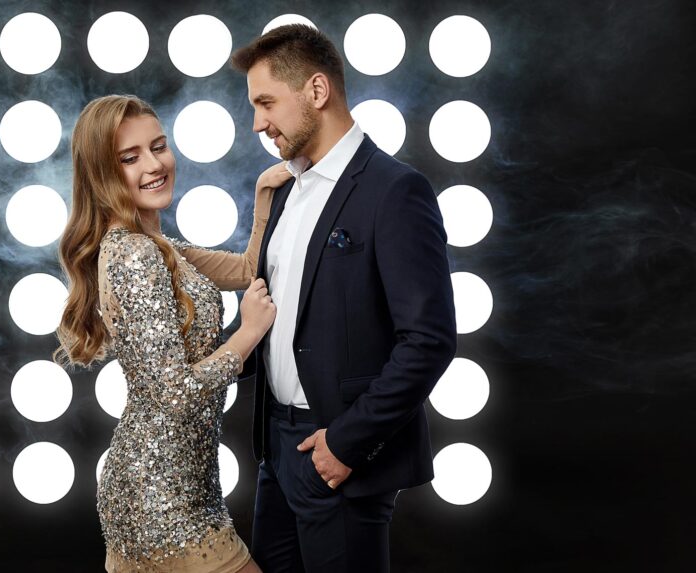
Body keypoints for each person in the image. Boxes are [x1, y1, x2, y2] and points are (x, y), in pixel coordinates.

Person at [180, 25, 457, 573]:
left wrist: (347, 443)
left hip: (339, 450)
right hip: (276, 450)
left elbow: (428, 341)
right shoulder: (285, 189)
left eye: (265, 103)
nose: (257, 123)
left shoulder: (395, 190)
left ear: (316, 90)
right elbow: (277, 312)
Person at [54, 94, 291, 572]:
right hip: (161, 500)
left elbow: (247, 269)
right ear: (102, 173)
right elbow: (174, 393)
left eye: (158, 147)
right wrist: (247, 332)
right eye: (130, 157)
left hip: (178, 486)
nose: (154, 165)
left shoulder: (156, 246)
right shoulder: (135, 255)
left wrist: (265, 194)